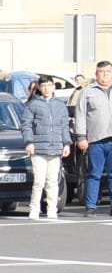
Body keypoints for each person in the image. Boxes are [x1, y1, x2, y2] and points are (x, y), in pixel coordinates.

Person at [73, 60, 112, 217]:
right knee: (94, 174)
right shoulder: (87, 92)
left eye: (107, 72)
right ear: (96, 74)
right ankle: (90, 206)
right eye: (101, 72)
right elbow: (80, 116)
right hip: (96, 140)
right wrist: (81, 137)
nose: (104, 75)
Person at [22, 77, 71, 221]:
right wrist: (29, 142)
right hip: (38, 149)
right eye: (43, 85)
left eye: (49, 85)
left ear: (53, 87)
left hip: (55, 148)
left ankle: (52, 209)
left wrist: (66, 143)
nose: (47, 88)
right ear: (39, 87)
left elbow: (64, 126)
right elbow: (26, 125)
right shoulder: (33, 105)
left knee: (53, 181)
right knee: (39, 181)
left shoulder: (60, 105)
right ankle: (34, 209)